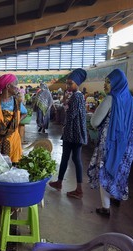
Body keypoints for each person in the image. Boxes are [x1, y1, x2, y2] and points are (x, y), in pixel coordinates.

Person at [87, 69, 133, 216]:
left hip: (110, 143)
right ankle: (116, 197)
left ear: (117, 83)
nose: (105, 85)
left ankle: (105, 207)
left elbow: (94, 121)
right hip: (126, 144)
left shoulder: (111, 99)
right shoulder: (131, 100)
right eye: (105, 82)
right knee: (120, 170)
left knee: (106, 170)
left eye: (108, 82)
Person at [49, 68, 88, 199]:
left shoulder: (77, 96)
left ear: (77, 83)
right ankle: (59, 182)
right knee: (65, 157)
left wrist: (65, 104)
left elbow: (71, 114)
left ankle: (79, 189)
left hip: (74, 133)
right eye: (67, 83)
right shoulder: (76, 95)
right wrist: (66, 101)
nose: (68, 86)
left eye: (70, 83)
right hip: (72, 132)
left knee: (76, 159)